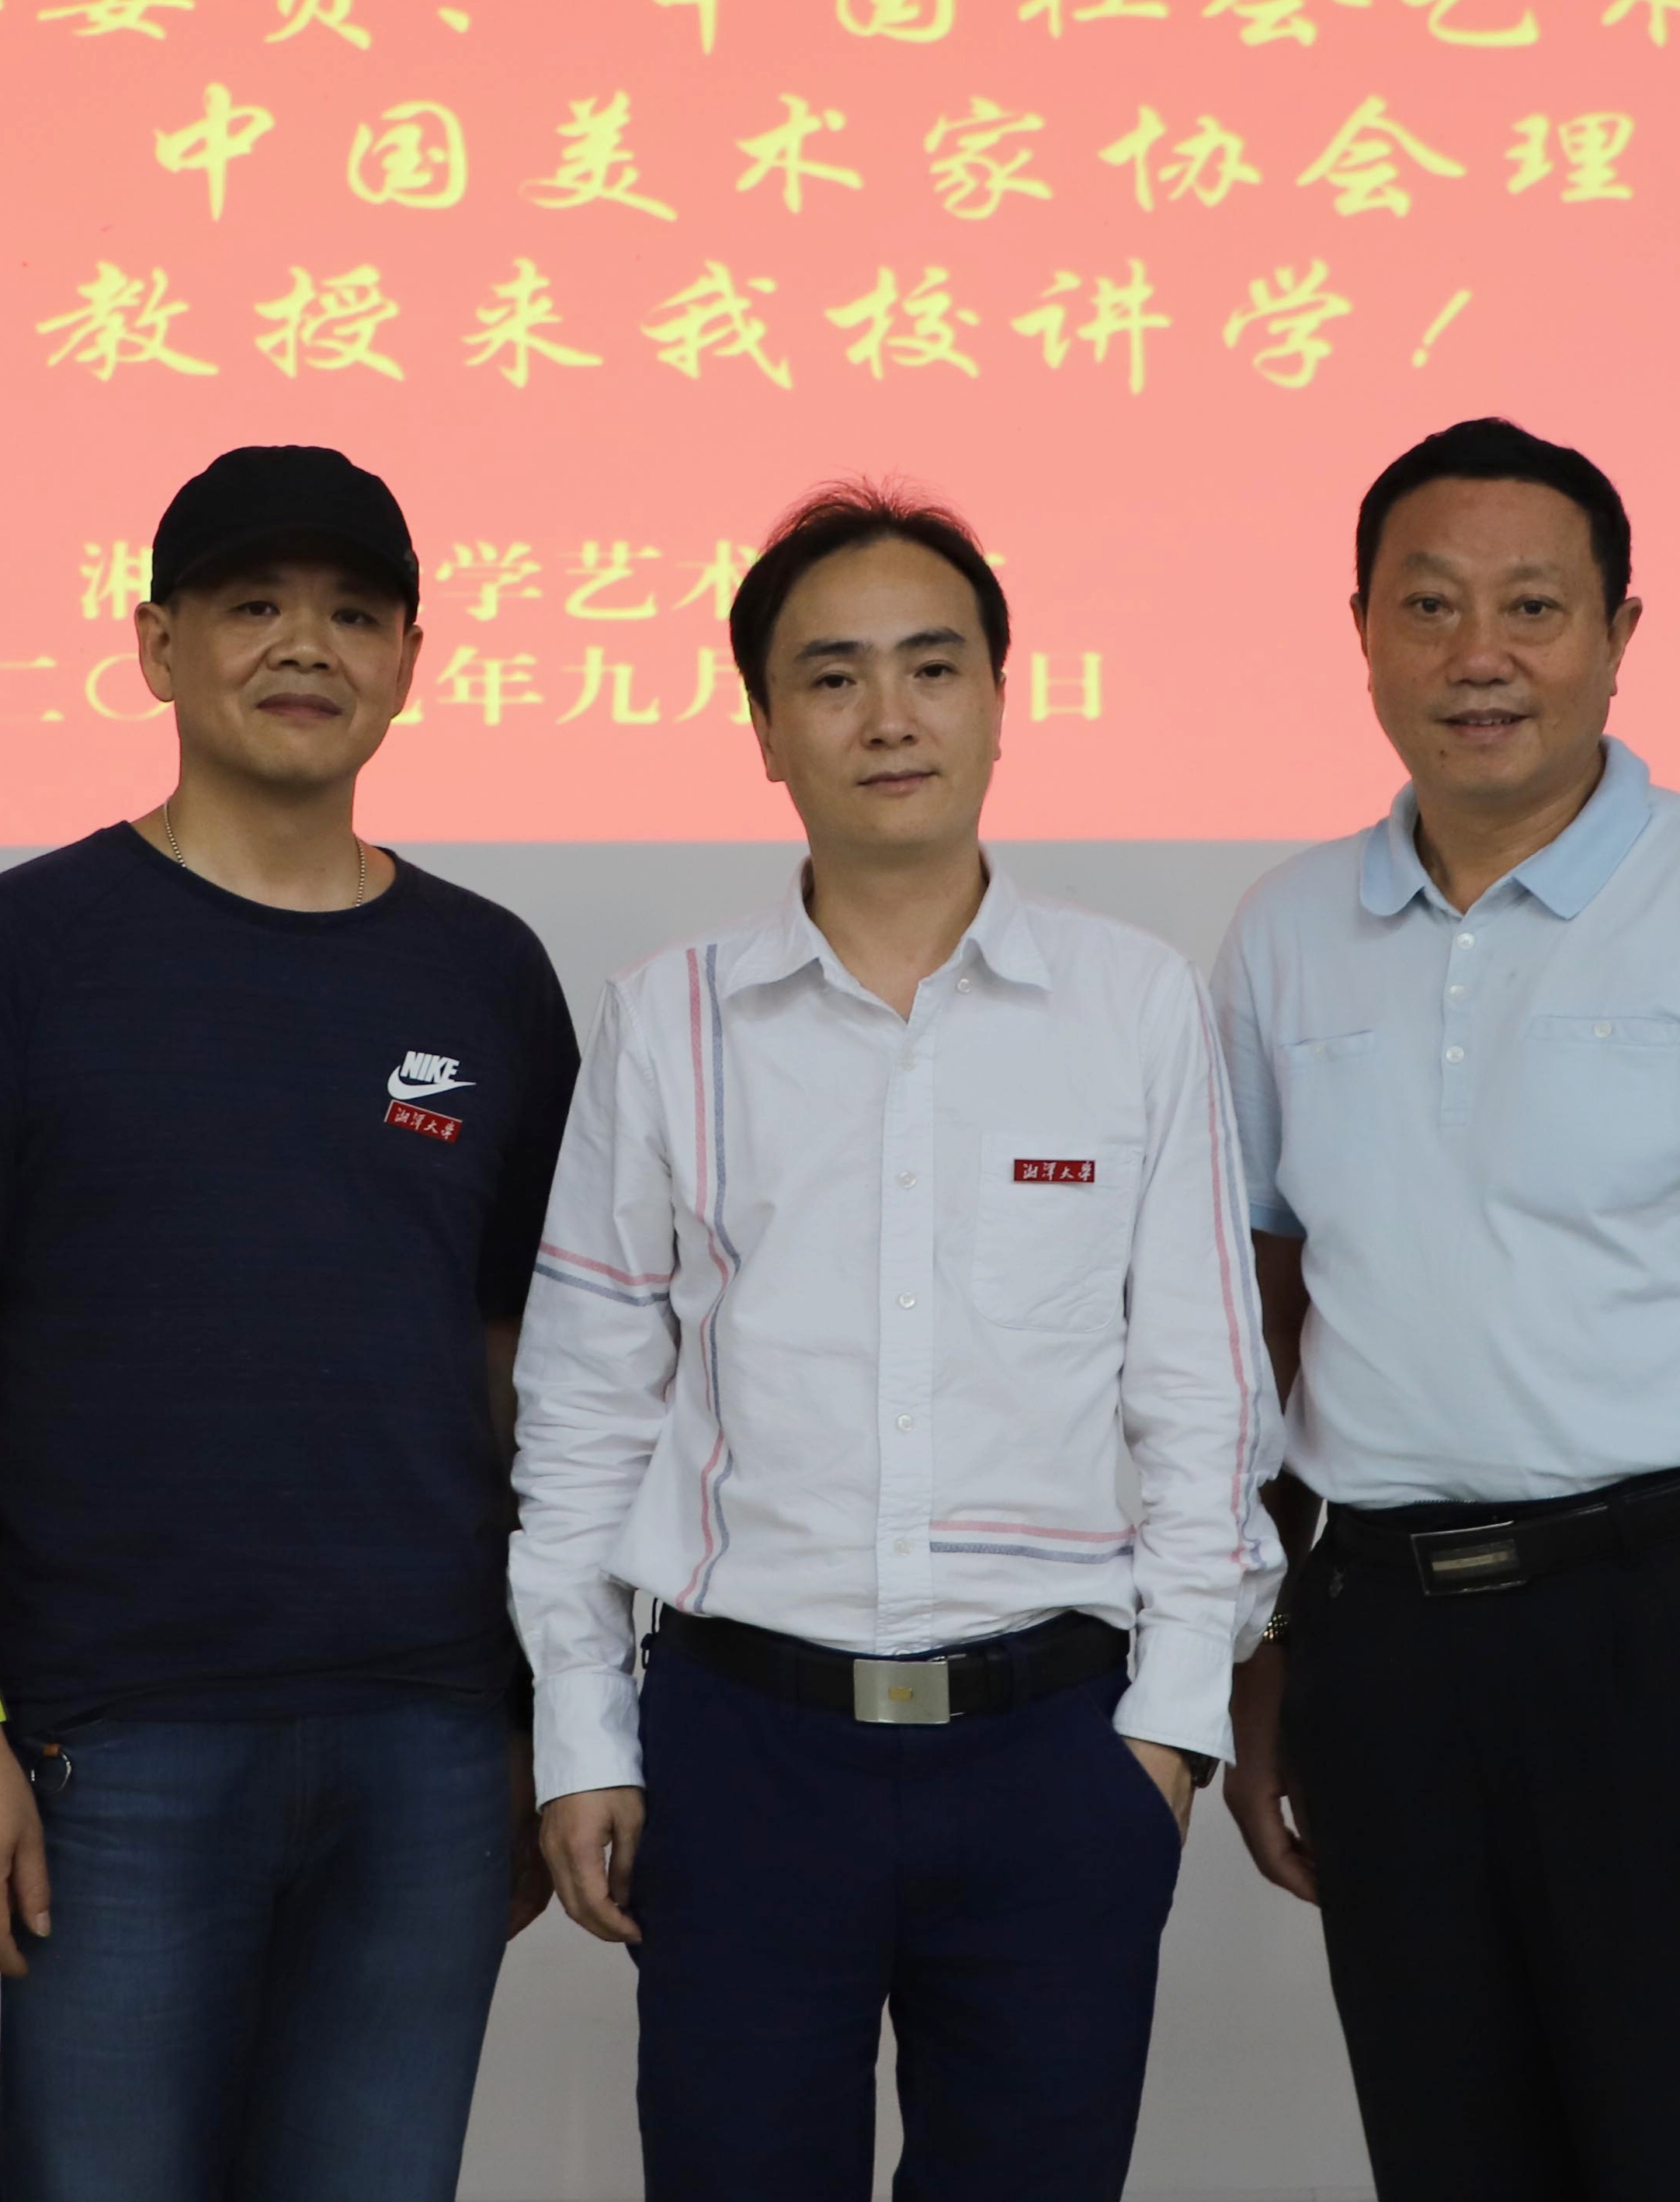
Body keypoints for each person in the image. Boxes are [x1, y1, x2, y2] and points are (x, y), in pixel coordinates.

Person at [512, 482, 1279, 2202]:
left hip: (1057, 1750)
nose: (888, 716)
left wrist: (1169, 1732)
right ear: (764, 726)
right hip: (740, 1744)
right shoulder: (669, 1019)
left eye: (932, 667)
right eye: (833, 675)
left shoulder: (1132, 1005)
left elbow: (1203, 1389)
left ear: (1001, 698)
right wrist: (584, 1731)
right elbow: (584, 1401)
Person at [1212, 416, 1680, 2202]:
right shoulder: (1284, 930)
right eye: (1429, 605)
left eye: (1532, 606)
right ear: (1361, 631)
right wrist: (1257, 1655)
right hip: (1384, 1643)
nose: (1479, 654)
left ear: (1618, 631)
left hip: (1676, 1630)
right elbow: (1259, 1321)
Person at [0, 444, 576, 2202]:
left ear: (410, 660)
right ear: (157, 646)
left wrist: (543, 1720)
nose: (305, 646)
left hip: (426, 1745)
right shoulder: (15, 949)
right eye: (253, 605)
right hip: (114, 1742)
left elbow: (525, 1379)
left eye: (353, 614)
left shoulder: (484, 972)